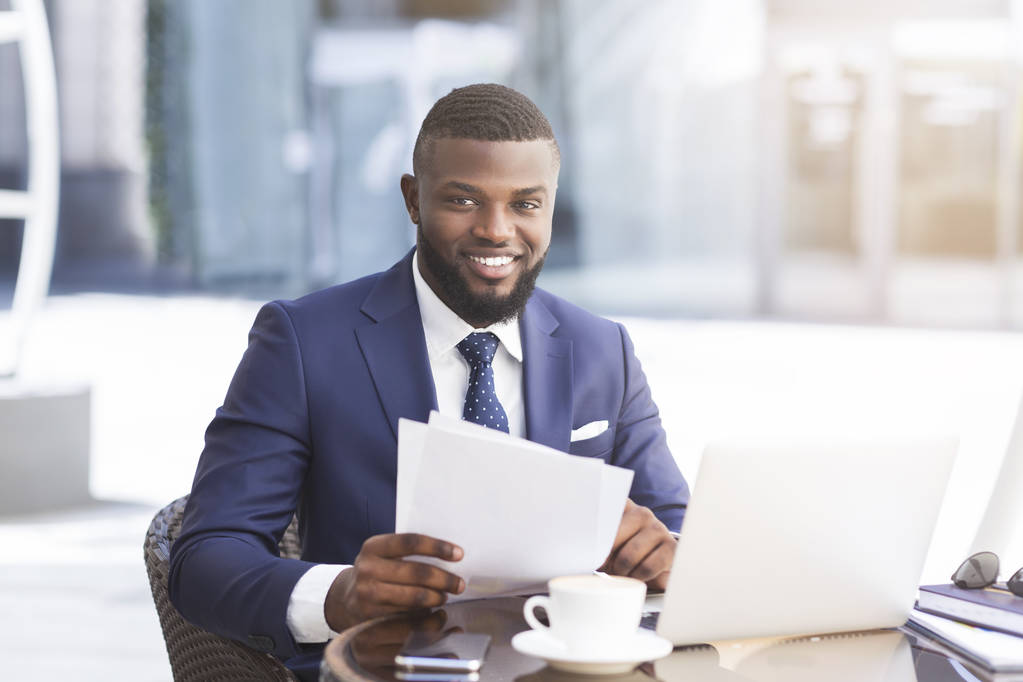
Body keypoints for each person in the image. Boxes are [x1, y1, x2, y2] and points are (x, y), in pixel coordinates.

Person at [169, 83, 689, 679]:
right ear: (413, 199)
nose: (497, 231)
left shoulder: (603, 350)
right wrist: (340, 594)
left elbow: (679, 529)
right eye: (464, 201)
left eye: (525, 204)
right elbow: (205, 559)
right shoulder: (304, 342)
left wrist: (666, 555)